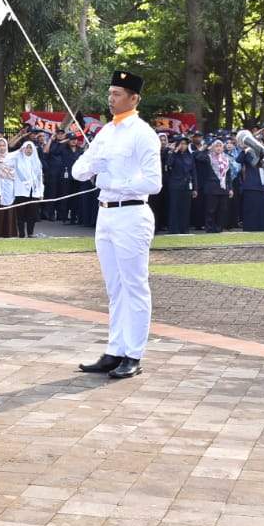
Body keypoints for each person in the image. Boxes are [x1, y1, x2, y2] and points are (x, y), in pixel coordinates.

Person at [73, 70, 162, 380]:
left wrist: (116, 180)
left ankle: (133, 354)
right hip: (106, 214)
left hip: (132, 213)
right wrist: (91, 166)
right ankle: (115, 350)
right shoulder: (105, 133)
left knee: (134, 286)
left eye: (117, 94)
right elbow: (78, 170)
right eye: (110, 93)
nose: (111, 99)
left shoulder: (143, 133)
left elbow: (153, 181)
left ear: (134, 98)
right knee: (114, 288)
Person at [9, 139, 44, 237]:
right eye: (26, 148)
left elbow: (40, 179)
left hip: (34, 192)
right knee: (20, 215)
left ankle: (30, 233)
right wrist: (18, 151)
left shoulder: (37, 162)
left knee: (32, 215)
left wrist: (41, 193)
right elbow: (7, 158)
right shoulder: (17, 160)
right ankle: (21, 234)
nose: (28, 150)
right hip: (21, 192)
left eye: (30, 148)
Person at [163, 135, 196, 234]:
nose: (183, 146)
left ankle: (184, 228)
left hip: (187, 185)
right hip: (175, 184)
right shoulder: (172, 155)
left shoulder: (189, 156)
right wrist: (174, 152)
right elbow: (168, 165)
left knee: (185, 207)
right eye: (181, 143)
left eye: (185, 144)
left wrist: (195, 188)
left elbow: (193, 172)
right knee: (174, 207)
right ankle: (174, 229)